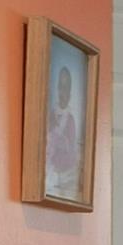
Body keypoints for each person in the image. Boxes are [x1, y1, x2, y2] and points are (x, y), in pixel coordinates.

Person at [45, 62, 81, 196]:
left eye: (65, 88)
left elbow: (71, 151)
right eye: (60, 87)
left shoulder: (70, 120)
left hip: (61, 171)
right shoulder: (51, 114)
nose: (62, 92)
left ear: (70, 93)